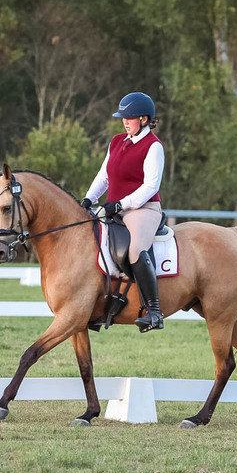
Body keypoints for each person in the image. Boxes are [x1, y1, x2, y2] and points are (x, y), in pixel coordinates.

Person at [80, 92, 165, 332]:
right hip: (114, 208)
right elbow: (104, 176)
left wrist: (120, 204)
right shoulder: (117, 141)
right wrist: (89, 198)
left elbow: (151, 186)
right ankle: (96, 306)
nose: (124, 122)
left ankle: (154, 312)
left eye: (129, 118)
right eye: (122, 118)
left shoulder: (153, 147)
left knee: (136, 250)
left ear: (145, 119)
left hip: (144, 208)